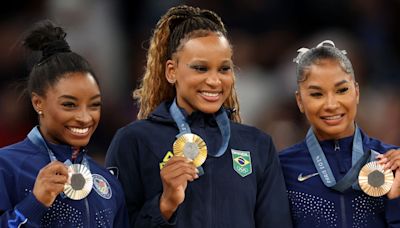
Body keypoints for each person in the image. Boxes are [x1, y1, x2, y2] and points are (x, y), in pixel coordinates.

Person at [105, 5, 292, 228]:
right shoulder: (134, 141)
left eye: (224, 69)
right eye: (201, 68)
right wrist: (165, 205)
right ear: (171, 72)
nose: (214, 81)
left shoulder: (257, 145)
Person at [0, 20, 129, 227]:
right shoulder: (6, 167)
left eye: (94, 105)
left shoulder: (108, 182)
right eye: (69, 105)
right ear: (38, 102)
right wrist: (35, 202)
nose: (85, 117)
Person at [279, 40, 400, 227]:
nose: (331, 105)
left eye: (342, 90)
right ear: (300, 101)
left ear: (357, 92)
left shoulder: (391, 162)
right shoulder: (281, 168)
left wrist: (396, 199)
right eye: (317, 94)